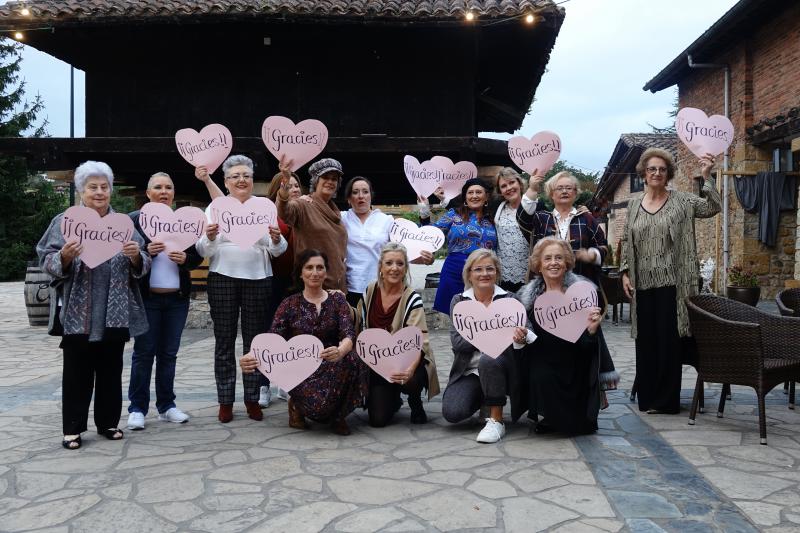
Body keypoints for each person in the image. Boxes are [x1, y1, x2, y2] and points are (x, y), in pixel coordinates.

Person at [37, 161, 151, 449]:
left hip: (114, 312)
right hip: (78, 311)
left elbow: (144, 263)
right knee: (76, 371)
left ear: (111, 190)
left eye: (104, 187)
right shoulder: (65, 222)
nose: (99, 192)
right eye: (93, 187)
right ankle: (72, 429)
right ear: (81, 191)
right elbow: (45, 259)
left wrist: (136, 255)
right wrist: (63, 255)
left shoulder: (123, 224)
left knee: (111, 370)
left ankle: (108, 423)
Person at [620, 148, 720, 414]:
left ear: (668, 174)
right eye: (652, 169)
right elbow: (625, 242)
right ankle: (648, 398)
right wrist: (625, 272)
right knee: (646, 342)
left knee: (668, 343)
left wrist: (707, 176)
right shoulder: (632, 205)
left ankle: (665, 402)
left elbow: (713, 207)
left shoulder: (683, 201)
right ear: (643, 173)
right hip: (642, 283)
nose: (657, 173)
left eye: (662, 170)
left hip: (673, 284)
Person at [195, 155, 287, 423]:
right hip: (222, 276)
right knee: (224, 341)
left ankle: (252, 398)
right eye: (235, 176)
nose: (241, 180)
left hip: (259, 277)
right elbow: (203, 249)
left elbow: (277, 250)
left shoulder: (265, 206)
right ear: (225, 182)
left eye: (245, 175)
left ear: (252, 179)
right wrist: (210, 237)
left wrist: (276, 239)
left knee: (255, 341)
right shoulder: (215, 208)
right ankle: (225, 401)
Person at [240, 250, 368, 435]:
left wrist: (340, 351)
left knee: (354, 360)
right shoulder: (289, 304)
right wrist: (251, 357)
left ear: (326, 272)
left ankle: (338, 416)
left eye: (319, 268)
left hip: (332, 362)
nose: (314, 272)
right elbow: (273, 338)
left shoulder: (337, 299)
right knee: (318, 409)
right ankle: (298, 406)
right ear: (301, 273)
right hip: (301, 367)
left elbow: (349, 334)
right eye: (309, 268)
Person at [126, 172, 203, 430]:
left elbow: (197, 256)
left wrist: (187, 259)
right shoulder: (134, 222)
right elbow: (123, 258)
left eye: (168, 187)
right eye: (157, 187)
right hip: (147, 299)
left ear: (173, 193)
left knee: (169, 355)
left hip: (177, 300)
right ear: (148, 194)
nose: (163, 191)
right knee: (144, 353)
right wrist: (144, 252)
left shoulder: (184, 222)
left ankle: (166, 406)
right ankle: (137, 408)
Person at [517, 237, 612, 435]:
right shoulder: (527, 298)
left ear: (567, 263)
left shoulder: (580, 294)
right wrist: (522, 337)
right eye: (548, 258)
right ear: (539, 265)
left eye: (559, 258)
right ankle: (547, 413)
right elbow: (526, 344)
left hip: (576, 362)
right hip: (542, 360)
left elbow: (589, 347)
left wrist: (592, 330)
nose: (554, 263)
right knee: (541, 373)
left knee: (578, 426)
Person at [443, 249, 528, 443]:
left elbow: (526, 334)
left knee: (490, 358)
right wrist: (493, 331)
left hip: (503, 367)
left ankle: (497, 419)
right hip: (471, 370)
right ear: (469, 274)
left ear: (497, 273)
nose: (484, 274)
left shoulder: (510, 300)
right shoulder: (459, 301)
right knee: (453, 412)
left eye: (490, 269)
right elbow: (457, 344)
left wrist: (520, 338)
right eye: (478, 269)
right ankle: (485, 398)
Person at [356, 242, 441, 426]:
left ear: (406, 268)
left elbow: (419, 341)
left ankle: (415, 400)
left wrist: (409, 371)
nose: (394, 268)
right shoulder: (370, 291)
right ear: (381, 267)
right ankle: (393, 397)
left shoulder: (412, 297)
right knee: (377, 421)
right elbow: (358, 324)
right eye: (389, 263)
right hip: (378, 362)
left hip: (407, 361)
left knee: (412, 380)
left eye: (400, 264)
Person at [341, 176, 435, 308]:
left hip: (380, 286)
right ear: (349, 198)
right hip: (349, 288)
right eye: (355, 192)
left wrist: (425, 259)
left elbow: (401, 252)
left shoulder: (387, 220)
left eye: (365, 191)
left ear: (371, 196)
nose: (360, 196)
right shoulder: (340, 218)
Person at [418, 178, 497, 314]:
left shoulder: (494, 218)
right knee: (457, 316)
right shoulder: (454, 214)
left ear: (486, 197)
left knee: (483, 316)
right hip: (455, 271)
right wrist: (424, 210)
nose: (474, 196)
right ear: (465, 198)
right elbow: (432, 234)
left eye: (478, 192)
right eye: (470, 192)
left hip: (484, 274)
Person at [517, 170, 607, 288]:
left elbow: (603, 246)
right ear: (551, 194)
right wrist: (533, 189)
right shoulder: (541, 218)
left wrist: (592, 255)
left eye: (569, 188)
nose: (564, 191)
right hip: (546, 287)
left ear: (575, 193)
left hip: (581, 286)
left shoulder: (586, 218)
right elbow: (522, 217)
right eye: (559, 188)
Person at [276, 157, 348, 291]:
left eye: (334, 178)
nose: (330, 181)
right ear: (316, 181)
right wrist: (285, 182)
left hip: (337, 289)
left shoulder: (336, 212)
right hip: (312, 288)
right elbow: (284, 212)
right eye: (325, 177)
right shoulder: (303, 204)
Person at [493, 168, 531, 292]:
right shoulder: (498, 209)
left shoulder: (535, 206)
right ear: (500, 191)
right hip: (503, 277)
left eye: (511, 182)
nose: (509, 188)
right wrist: (444, 200)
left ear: (519, 183)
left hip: (528, 276)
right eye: (504, 186)